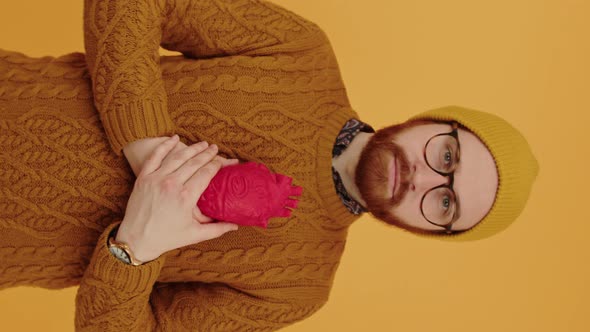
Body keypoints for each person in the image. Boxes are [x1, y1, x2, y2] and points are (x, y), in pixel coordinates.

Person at [0, 0, 538, 331]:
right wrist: (145, 148)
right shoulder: (300, 54)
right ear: (431, 121)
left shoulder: (297, 287)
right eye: (447, 155)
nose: (424, 178)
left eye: (445, 203)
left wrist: (136, 246)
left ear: (428, 231)